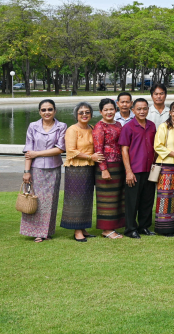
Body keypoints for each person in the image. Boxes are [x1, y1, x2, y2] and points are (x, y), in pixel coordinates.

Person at [21, 99, 67, 242]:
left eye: (50, 109)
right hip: (36, 169)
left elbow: (60, 148)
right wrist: (26, 171)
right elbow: (29, 151)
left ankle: (46, 232)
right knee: (35, 199)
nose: (47, 112)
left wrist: (37, 153)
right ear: (39, 112)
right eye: (44, 110)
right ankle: (34, 231)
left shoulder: (61, 126)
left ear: (55, 111)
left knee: (50, 201)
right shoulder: (33, 126)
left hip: (54, 169)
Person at [61, 103, 103, 242]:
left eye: (87, 112)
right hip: (76, 169)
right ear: (76, 115)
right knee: (76, 199)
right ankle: (77, 230)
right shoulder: (72, 130)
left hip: (89, 168)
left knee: (86, 198)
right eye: (81, 112)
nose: (84, 115)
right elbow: (71, 151)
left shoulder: (92, 128)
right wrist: (91, 157)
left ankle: (83, 227)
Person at [119, 98, 157, 239]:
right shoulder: (128, 127)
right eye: (139, 109)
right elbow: (124, 150)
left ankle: (144, 226)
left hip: (150, 169)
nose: (142, 111)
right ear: (133, 110)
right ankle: (130, 229)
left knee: (147, 200)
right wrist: (128, 171)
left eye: (145, 108)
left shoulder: (152, 125)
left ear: (148, 110)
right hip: (135, 169)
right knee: (132, 202)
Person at [153, 100, 174, 236]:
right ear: (170, 112)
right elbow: (158, 146)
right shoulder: (164, 127)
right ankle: (164, 227)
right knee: (165, 196)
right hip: (166, 165)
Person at [92, 98, 125, 239]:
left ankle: (114, 226)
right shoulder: (99, 127)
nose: (109, 112)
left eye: (111, 109)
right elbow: (98, 150)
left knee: (117, 197)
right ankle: (106, 229)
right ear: (101, 111)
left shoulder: (118, 124)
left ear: (115, 110)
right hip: (106, 166)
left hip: (118, 165)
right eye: (105, 110)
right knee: (107, 199)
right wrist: (104, 169)